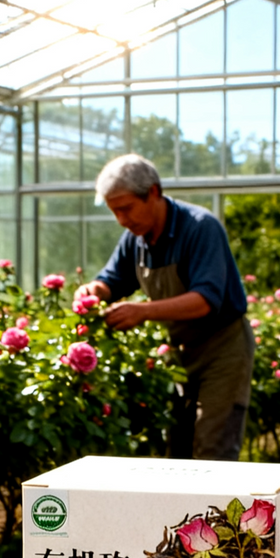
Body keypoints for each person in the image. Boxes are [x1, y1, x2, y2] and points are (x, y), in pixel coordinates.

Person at [74, 154, 254, 461]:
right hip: (180, 354)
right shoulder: (136, 238)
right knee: (178, 452)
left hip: (223, 349)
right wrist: (92, 291)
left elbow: (205, 300)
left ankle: (221, 511)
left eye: (126, 208)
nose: (122, 219)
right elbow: (112, 281)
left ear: (154, 192)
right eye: (114, 212)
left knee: (213, 449)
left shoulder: (199, 228)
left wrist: (141, 310)